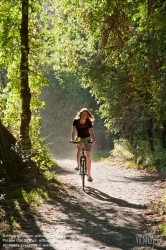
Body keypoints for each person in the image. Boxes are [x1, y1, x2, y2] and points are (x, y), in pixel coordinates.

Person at [71, 108, 96, 182]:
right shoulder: (75, 121)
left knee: (88, 155)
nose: (85, 115)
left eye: (86, 114)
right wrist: (72, 139)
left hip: (88, 138)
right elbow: (73, 131)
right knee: (79, 148)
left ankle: (89, 176)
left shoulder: (88, 122)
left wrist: (93, 140)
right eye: (83, 114)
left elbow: (91, 133)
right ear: (80, 114)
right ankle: (78, 165)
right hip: (79, 138)